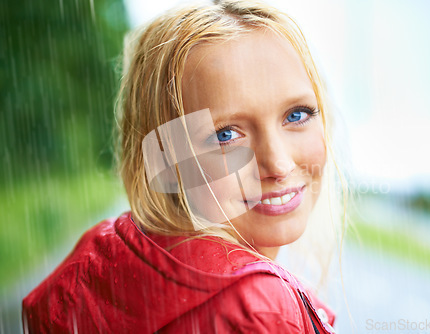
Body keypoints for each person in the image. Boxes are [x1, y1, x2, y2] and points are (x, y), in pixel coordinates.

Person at [23, 0, 340, 332]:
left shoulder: (97, 267)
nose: (278, 163)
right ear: (165, 160)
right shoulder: (257, 309)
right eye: (226, 135)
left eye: (297, 115)